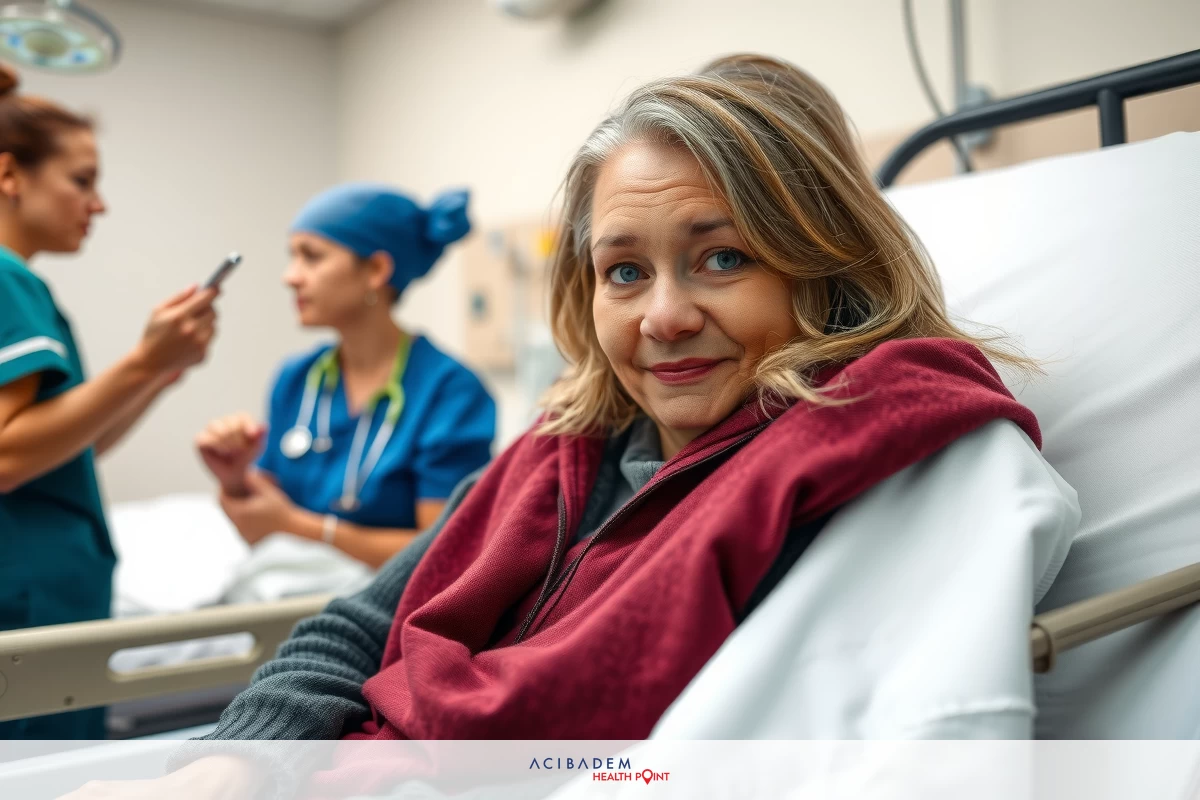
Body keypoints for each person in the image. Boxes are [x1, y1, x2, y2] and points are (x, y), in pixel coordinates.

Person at [61, 53, 1077, 795]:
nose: (663, 315)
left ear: (824, 263)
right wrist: (228, 765)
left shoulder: (867, 441)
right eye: (624, 270)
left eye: (722, 257)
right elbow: (359, 623)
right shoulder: (565, 450)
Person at [0, 67, 218, 740]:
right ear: (10, 175)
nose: (99, 205)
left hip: (46, 595)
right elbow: (7, 455)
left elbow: (70, 448)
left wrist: (154, 378)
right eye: (82, 181)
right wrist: (142, 361)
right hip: (27, 598)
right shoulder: (8, 277)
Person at [194, 184, 495, 569]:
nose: (290, 277)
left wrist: (298, 526)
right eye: (292, 257)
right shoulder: (296, 380)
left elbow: (445, 555)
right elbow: (260, 522)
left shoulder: (452, 393)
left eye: (311, 258)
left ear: (376, 270)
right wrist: (234, 476)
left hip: (393, 615)